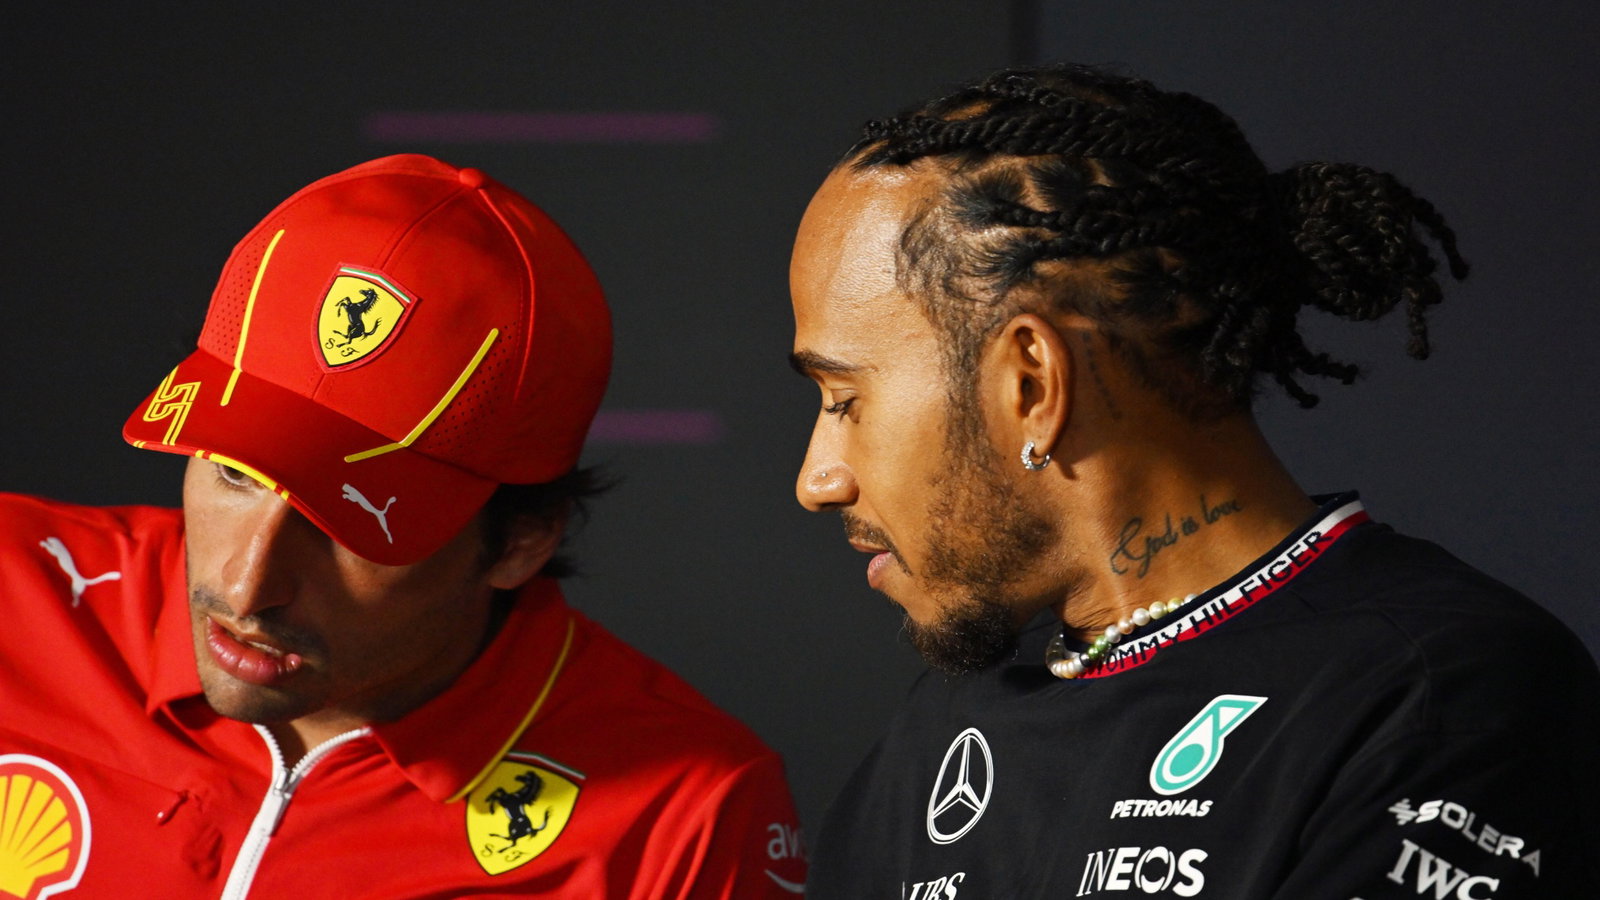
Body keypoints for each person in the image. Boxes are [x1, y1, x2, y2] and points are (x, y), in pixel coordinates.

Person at [788, 64, 1599, 898]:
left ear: (1030, 384)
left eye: (845, 400)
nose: (817, 481)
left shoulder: (1439, 694)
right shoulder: (942, 724)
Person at [0, 154, 807, 899]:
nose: (247, 587)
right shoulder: (13, 588)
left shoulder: (683, 816)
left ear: (521, 542)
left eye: (351, 523)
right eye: (235, 475)